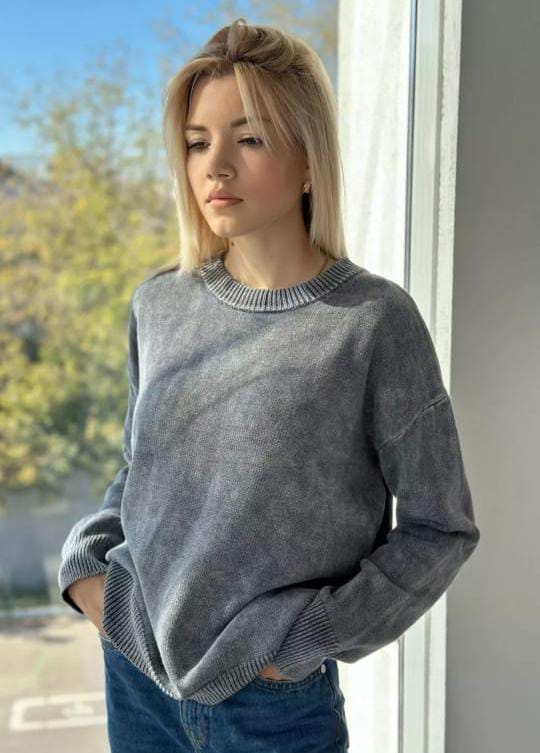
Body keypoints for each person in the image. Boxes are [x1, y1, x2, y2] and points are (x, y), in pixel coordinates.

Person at [58, 17, 480, 753]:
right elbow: (139, 469)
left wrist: (305, 641)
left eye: (248, 138)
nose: (215, 166)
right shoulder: (159, 303)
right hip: (138, 680)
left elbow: (440, 527)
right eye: (198, 142)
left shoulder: (372, 323)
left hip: (274, 708)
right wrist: (90, 575)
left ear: (308, 157)